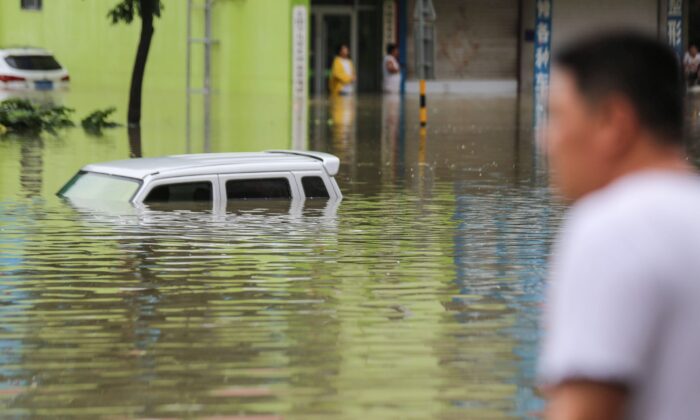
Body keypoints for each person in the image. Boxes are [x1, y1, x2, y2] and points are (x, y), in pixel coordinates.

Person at [538, 32, 700, 420]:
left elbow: (582, 411)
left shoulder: (612, 228)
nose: (544, 140)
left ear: (614, 122)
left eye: (558, 117)